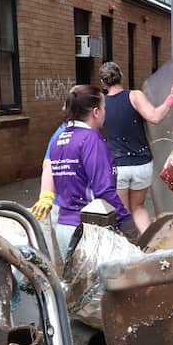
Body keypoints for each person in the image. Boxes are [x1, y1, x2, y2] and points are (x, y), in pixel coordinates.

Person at [47, 85, 132, 255]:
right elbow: (103, 189)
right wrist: (127, 222)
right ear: (96, 112)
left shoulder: (59, 138)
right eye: (104, 108)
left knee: (76, 281)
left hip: (64, 228)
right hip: (89, 229)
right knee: (104, 281)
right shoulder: (91, 139)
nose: (105, 112)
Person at [99, 61, 173, 233]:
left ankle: (132, 250)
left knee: (123, 213)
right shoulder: (135, 96)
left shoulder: (101, 104)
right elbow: (155, 117)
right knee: (139, 208)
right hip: (141, 164)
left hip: (118, 166)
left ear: (103, 82)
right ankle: (149, 244)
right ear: (121, 76)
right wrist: (172, 97)